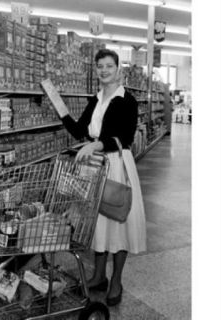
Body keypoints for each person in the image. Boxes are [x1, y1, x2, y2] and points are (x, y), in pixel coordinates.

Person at [60, 48, 146, 306]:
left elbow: (125, 137)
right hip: (95, 165)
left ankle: (116, 280)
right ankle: (98, 276)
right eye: (100, 67)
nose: (104, 70)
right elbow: (79, 131)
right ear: (96, 70)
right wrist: (60, 109)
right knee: (97, 223)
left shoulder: (126, 100)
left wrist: (96, 145)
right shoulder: (94, 100)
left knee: (118, 220)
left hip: (117, 163)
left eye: (109, 66)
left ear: (118, 68)